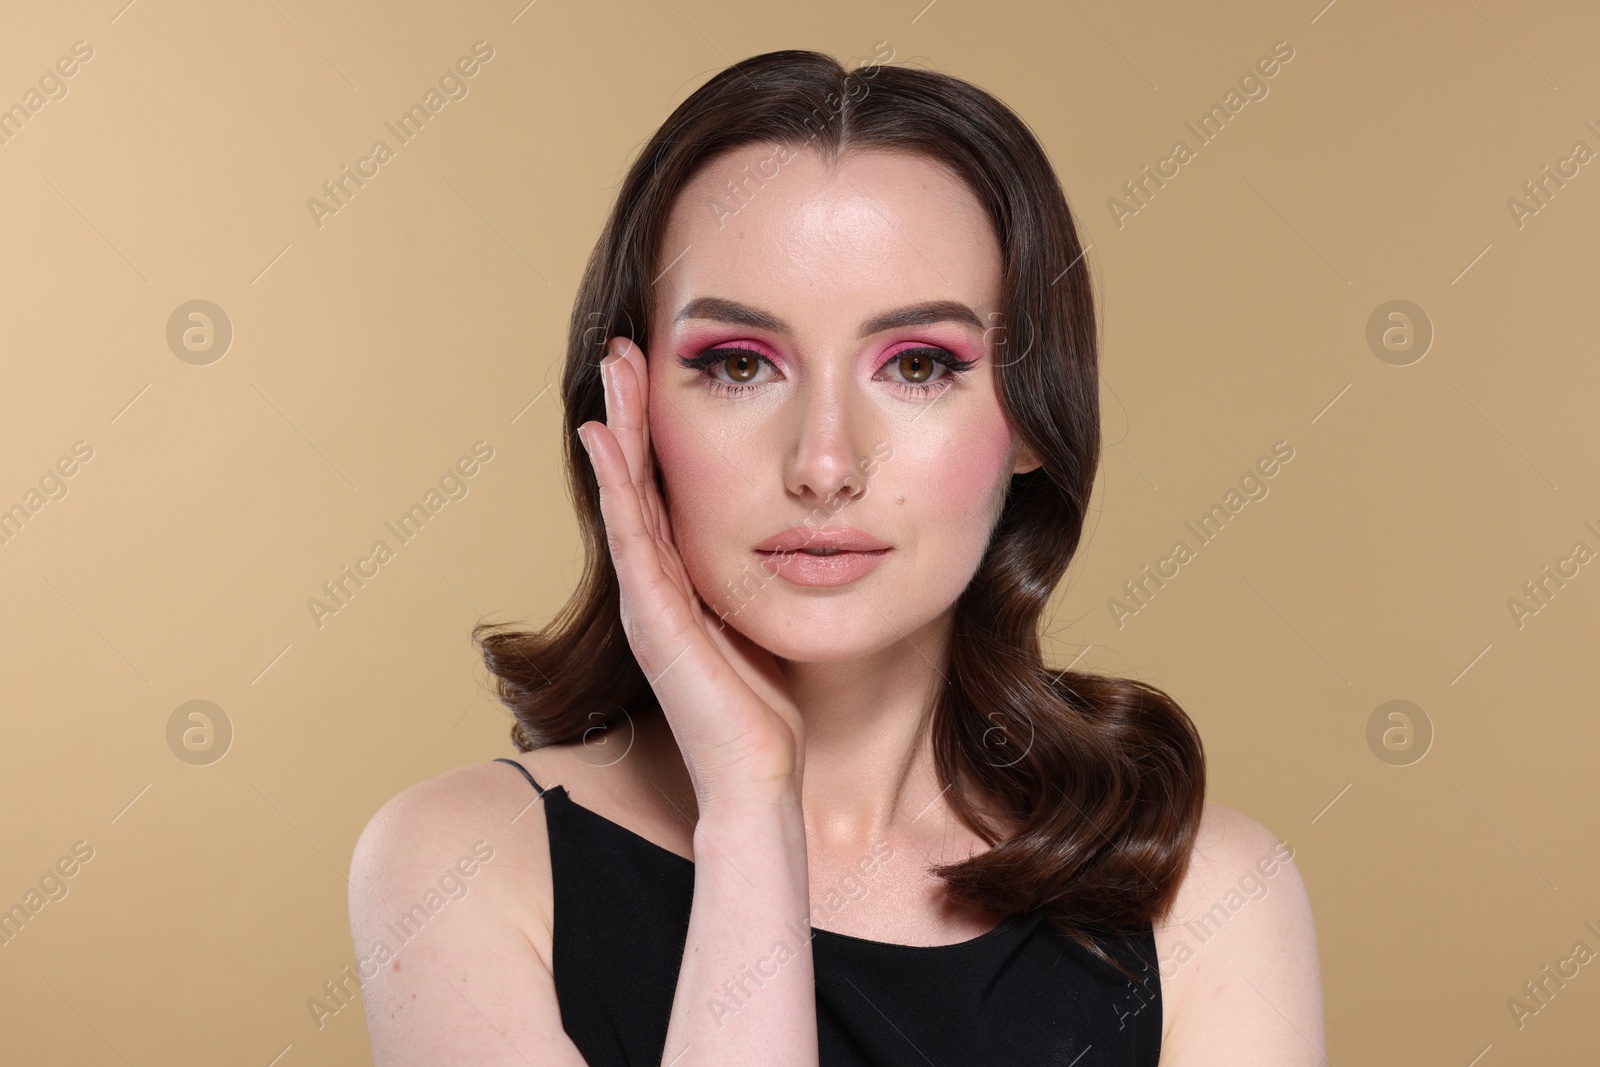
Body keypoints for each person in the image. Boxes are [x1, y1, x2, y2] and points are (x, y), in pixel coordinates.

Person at [348, 48, 1324, 1066]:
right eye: (737, 364)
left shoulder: (1204, 897)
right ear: (626, 405)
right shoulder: (462, 862)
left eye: (916, 364)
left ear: (1035, 415)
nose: (823, 464)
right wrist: (750, 808)